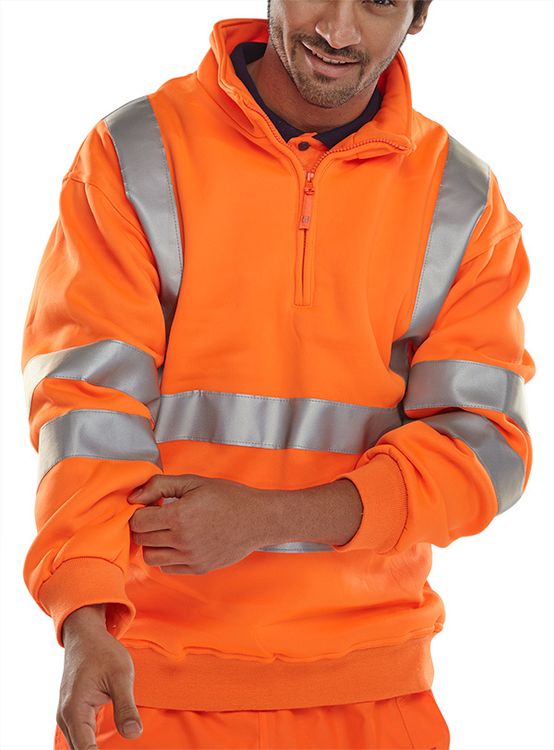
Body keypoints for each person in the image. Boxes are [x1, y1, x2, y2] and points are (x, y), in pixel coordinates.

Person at [21, 1, 535, 748]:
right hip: (149, 687)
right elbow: (86, 410)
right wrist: (84, 617)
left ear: (419, 15)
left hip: (374, 694)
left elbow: (486, 451)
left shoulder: (464, 201)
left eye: (378, 1)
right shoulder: (136, 153)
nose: (338, 30)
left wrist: (267, 518)